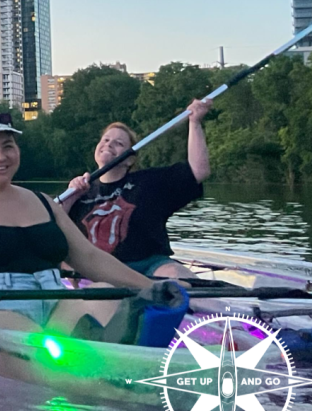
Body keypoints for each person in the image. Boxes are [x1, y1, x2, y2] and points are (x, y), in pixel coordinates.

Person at [0, 109, 180, 335]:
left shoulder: (43, 203)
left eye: (8, 145)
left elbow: (89, 257)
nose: (1, 156)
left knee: (106, 295)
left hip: (53, 301)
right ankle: (94, 379)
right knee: (43, 346)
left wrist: (150, 286)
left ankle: (119, 364)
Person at [59, 100, 211, 279]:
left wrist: (194, 123)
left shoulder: (149, 183)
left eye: (118, 144)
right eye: (105, 140)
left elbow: (199, 171)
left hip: (149, 267)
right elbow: (51, 231)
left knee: (176, 275)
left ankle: (224, 308)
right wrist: (68, 198)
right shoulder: (80, 192)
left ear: (129, 160)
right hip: (98, 271)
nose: (108, 144)